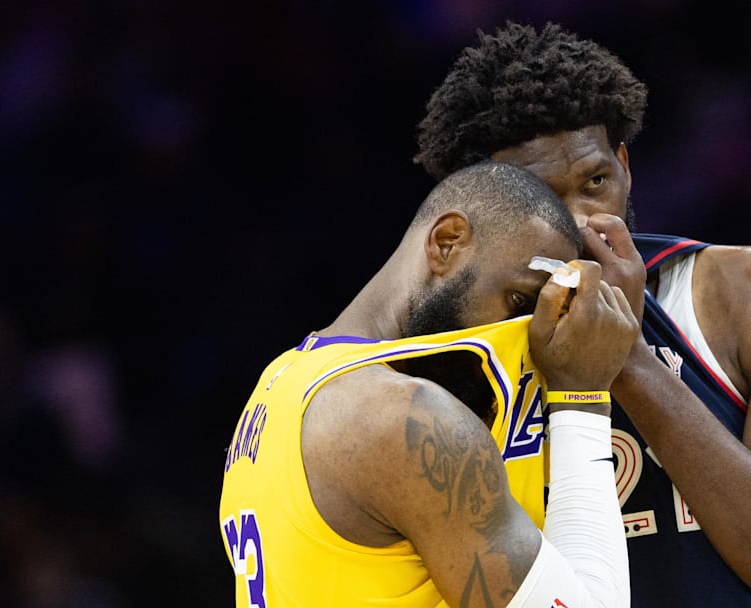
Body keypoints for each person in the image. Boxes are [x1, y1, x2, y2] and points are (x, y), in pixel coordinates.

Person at [414, 21, 751, 608]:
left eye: (596, 181)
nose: (581, 222)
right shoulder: (435, 363)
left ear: (625, 166)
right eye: (540, 199)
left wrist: (625, 356)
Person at [218, 161, 639, 607]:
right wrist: (582, 396)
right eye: (518, 301)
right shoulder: (403, 418)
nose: (526, 335)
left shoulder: (279, 384)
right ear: (447, 243)